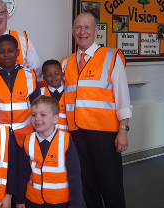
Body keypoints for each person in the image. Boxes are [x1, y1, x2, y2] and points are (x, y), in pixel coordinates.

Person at [62, 12, 132, 208]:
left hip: (105, 134)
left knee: (111, 185)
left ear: (95, 31)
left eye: (87, 28)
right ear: (73, 31)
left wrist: (123, 131)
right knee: (87, 185)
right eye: (78, 28)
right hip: (76, 134)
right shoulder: (66, 62)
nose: (82, 32)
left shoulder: (111, 57)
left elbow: (122, 97)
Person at [16, 95, 82, 208]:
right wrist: (19, 199)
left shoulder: (66, 141)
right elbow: (22, 174)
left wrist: (75, 204)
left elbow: (75, 176)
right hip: (33, 201)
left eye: (43, 115)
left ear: (55, 118)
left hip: (60, 202)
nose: (37, 118)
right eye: (33, 115)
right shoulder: (28, 141)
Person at [0, 34, 40, 147]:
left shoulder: (30, 76)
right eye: (2, 52)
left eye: (10, 51)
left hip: (26, 135)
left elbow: (38, 105)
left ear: (17, 52)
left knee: (24, 165)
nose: (6, 55)